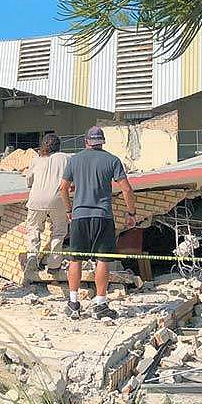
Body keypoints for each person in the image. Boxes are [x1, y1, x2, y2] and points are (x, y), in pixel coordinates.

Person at [60, 126, 137, 320]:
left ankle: (73, 303)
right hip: (103, 216)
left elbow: (63, 188)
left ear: (86, 141)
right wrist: (131, 213)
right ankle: (101, 304)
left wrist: (69, 209)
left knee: (75, 259)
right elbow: (127, 190)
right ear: (102, 142)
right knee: (103, 260)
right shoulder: (112, 160)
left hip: (79, 216)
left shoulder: (74, 160)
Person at [25, 133, 70, 277]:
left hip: (36, 199)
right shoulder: (66, 158)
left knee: (34, 229)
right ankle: (54, 265)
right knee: (59, 232)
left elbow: (29, 181)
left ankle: (32, 256)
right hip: (58, 199)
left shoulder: (36, 160)